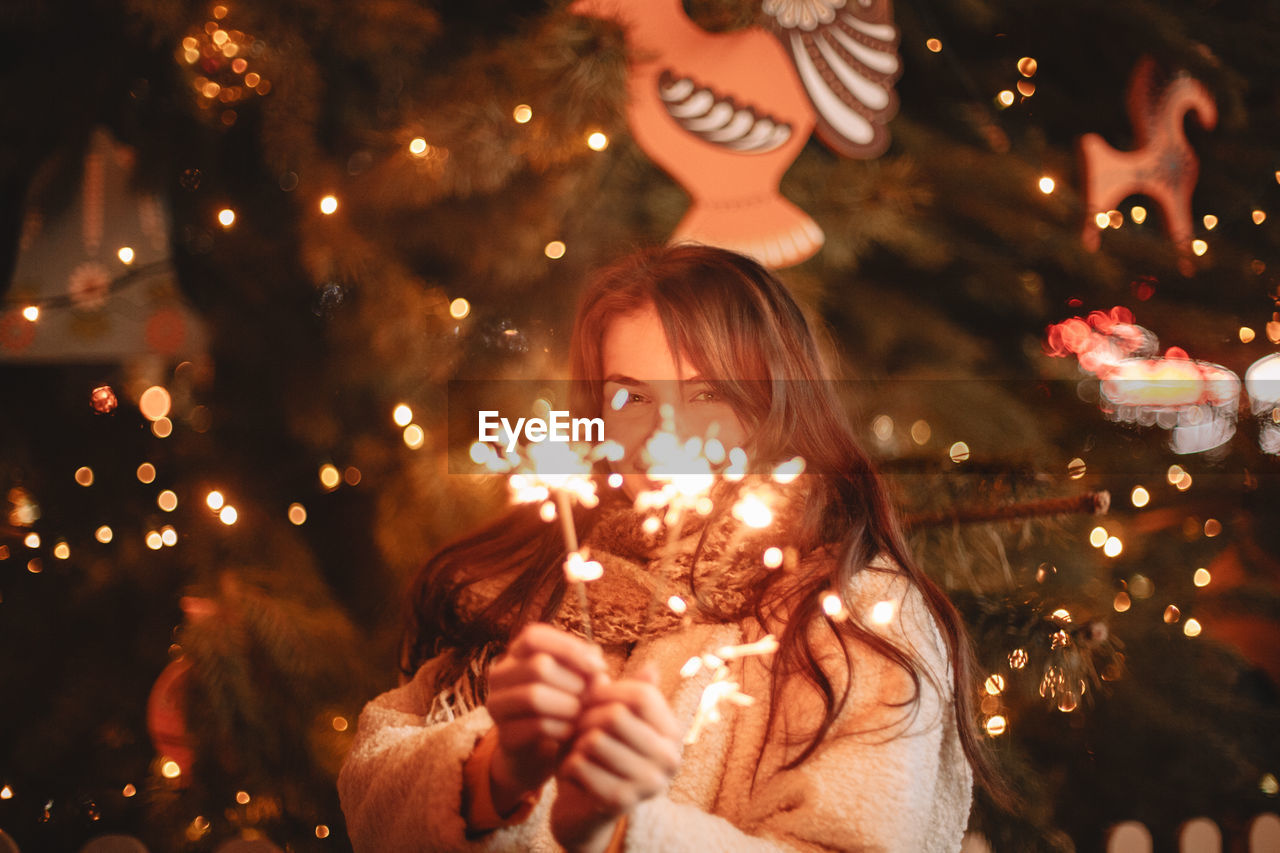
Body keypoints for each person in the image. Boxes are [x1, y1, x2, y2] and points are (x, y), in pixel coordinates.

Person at [337, 244, 1006, 852]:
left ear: (774, 402)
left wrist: (621, 830)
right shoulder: (531, 584)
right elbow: (376, 783)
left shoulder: (852, 613)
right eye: (629, 396)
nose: (663, 437)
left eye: (708, 393)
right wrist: (496, 772)